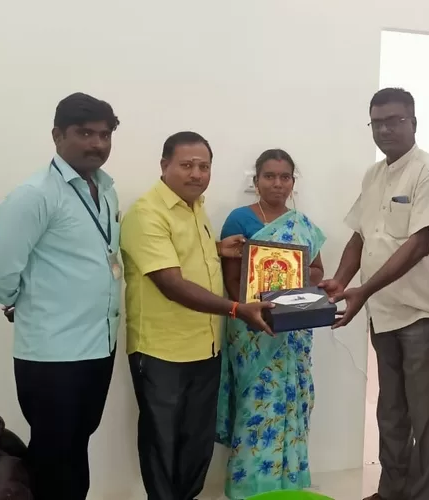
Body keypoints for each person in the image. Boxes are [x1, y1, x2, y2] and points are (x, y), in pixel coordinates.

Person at [0, 92, 121, 500]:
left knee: (78, 444)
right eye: (85, 133)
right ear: (58, 135)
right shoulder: (35, 194)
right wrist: (16, 300)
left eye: (105, 134)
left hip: (99, 343)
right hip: (53, 353)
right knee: (53, 453)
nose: (97, 143)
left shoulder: (106, 189)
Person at [320, 88, 429, 500]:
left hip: (422, 314)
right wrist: (341, 281)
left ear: (413, 122)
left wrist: (362, 289)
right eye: (377, 122)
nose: (385, 130)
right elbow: (360, 236)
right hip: (383, 313)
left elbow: (419, 244)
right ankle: (390, 491)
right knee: (391, 412)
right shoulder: (374, 175)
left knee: (426, 419)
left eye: (395, 121)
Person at [119, 131, 274, 500]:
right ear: (164, 165)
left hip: (205, 347)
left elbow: (186, 256)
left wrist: (217, 248)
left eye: (204, 166)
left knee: (197, 442)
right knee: (162, 444)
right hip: (162, 351)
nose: (196, 174)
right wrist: (236, 309)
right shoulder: (147, 213)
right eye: (187, 165)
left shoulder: (195, 208)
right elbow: (171, 283)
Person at [215, 149, 326, 500]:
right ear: (256, 181)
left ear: (293, 182)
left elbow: (318, 271)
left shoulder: (302, 224)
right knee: (255, 408)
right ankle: (248, 490)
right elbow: (231, 279)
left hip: (294, 329)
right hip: (252, 330)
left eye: (285, 177)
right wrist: (258, 305)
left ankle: (288, 488)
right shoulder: (239, 219)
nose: (277, 183)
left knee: (293, 406)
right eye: (269, 176)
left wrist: (294, 282)